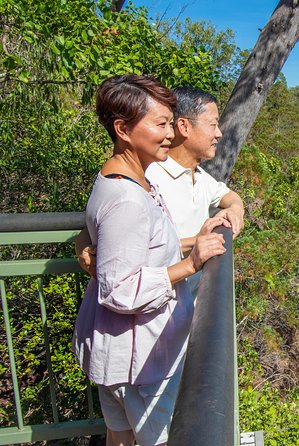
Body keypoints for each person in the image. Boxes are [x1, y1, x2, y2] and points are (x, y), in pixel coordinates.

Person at [73, 74, 226, 446]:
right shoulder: (127, 196)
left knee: (119, 439)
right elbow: (120, 290)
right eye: (160, 125)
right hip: (141, 361)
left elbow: (119, 240)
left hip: (121, 355)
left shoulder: (123, 178)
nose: (170, 135)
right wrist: (190, 265)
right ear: (123, 129)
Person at [77, 86, 245, 295]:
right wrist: (84, 249)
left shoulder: (198, 175)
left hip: (184, 305)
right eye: (213, 125)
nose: (219, 134)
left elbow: (228, 196)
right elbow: (107, 235)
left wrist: (235, 210)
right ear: (184, 127)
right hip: (152, 311)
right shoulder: (147, 177)